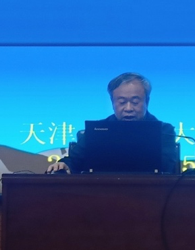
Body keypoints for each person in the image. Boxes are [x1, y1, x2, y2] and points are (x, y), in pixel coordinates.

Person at [46, 72, 178, 174]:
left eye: (135, 102)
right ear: (112, 102)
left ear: (147, 101)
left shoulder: (164, 131)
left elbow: (167, 167)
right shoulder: (98, 130)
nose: (128, 108)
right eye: (122, 102)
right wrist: (64, 164)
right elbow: (74, 160)